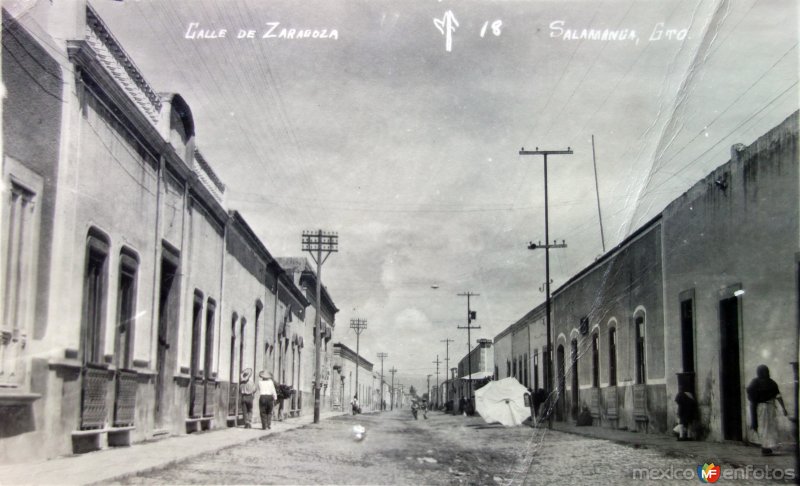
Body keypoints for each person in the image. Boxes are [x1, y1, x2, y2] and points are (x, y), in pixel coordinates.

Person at [746, 364, 788, 455]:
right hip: (762, 409)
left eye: (766, 371)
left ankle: (767, 448)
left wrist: (784, 408)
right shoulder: (755, 383)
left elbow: (778, 396)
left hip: (769, 408)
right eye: (763, 371)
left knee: (770, 428)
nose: (765, 373)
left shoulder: (771, 383)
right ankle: (765, 448)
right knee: (764, 428)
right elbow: (751, 394)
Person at [674, 375, 697, 441]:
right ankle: (689, 436)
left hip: (683, 411)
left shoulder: (680, 394)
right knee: (689, 424)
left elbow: (678, 402)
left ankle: (681, 437)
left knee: (681, 424)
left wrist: (679, 412)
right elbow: (693, 403)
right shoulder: (690, 394)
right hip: (690, 411)